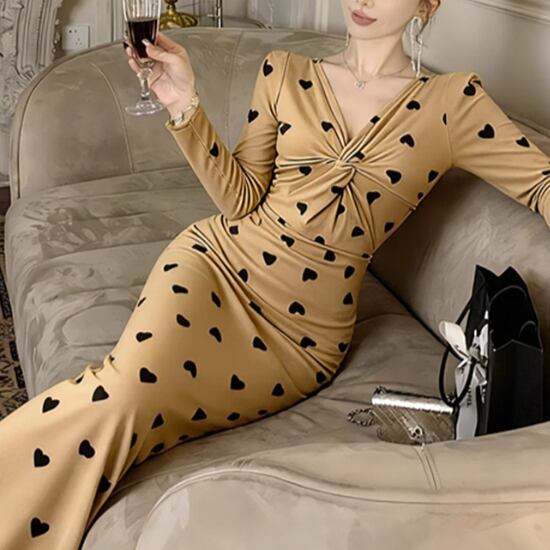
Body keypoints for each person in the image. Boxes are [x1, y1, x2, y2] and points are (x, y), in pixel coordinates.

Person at [1, 0, 549, 547]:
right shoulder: (285, 72)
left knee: (147, 413)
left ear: (427, 4)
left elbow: (540, 184)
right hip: (214, 266)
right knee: (124, 391)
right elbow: (240, 200)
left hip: (299, 340)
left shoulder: (453, 103)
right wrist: (182, 102)